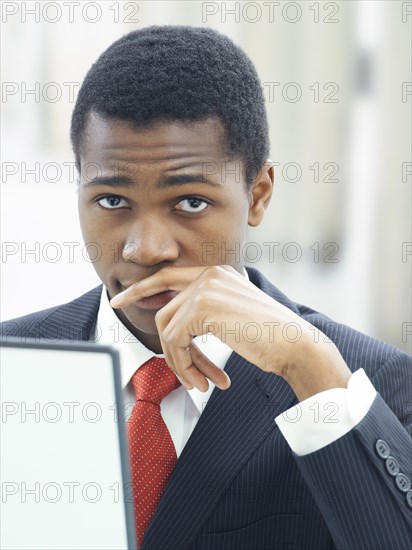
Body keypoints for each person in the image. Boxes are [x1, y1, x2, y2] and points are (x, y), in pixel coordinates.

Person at [1, 26, 411, 550]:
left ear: (258, 195)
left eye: (190, 202)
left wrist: (310, 370)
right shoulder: (9, 369)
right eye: (110, 200)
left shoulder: (366, 383)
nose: (146, 249)